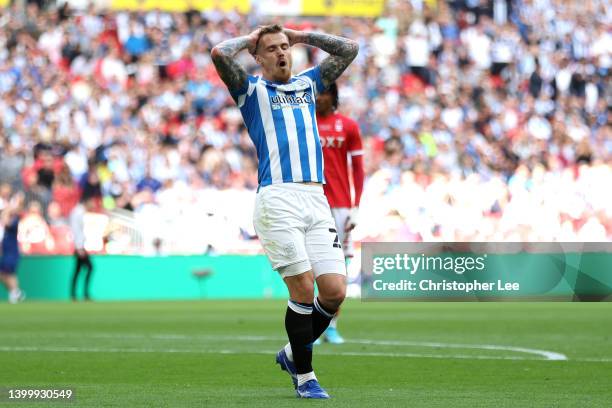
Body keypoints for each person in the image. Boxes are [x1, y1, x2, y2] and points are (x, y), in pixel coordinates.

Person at [211, 24, 358, 399]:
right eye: (272, 49)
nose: (281, 53)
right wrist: (251, 39)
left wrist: (301, 34)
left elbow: (349, 49)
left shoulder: (308, 85)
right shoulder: (252, 91)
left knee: (335, 291)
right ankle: (306, 377)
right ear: (258, 58)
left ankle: (293, 354)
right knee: (303, 288)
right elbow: (219, 54)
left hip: (316, 198)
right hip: (278, 198)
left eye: (284, 47)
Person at [314, 82, 364, 344]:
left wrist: (356, 206)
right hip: (311, 202)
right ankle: (310, 326)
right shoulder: (304, 123)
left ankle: (331, 325)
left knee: (338, 269)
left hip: (341, 205)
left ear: (333, 96)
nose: (318, 97)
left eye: (323, 92)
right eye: (316, 92)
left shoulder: (348, 126)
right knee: (309, 268)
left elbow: (358, 169)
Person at [0, 191, 25, 304]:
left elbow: (5, 221)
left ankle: (15, 293)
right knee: (4, 273)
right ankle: (16, 292)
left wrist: (9, 208)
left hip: (12, 251)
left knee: (10, 273)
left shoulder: (15, 219)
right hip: (6, 251)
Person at [69, 198, 94, 301]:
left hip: (79, 246)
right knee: (89, 267)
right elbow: (76, 230)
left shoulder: (78, 212)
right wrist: (79, 247)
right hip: (79, 247)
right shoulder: (78, 213)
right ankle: (83, 294)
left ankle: (75, 294)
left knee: (78, 270)